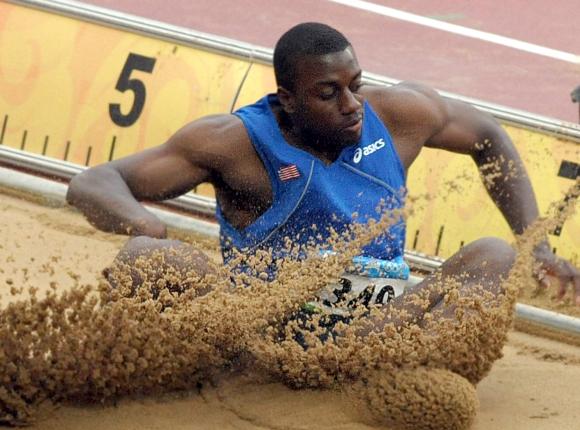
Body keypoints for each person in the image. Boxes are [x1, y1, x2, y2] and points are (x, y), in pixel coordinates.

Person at [67, 22, 580, 320]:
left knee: (492, 256)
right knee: (148, 257)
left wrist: (535, 245)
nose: (352, 104)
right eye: (328, 93)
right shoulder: (234, 143)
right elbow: (93, 181)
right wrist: (147, 227)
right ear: (287, 100)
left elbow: (489, 137)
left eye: (355, 84)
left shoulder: (399, 114)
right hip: (261, 329)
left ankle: (401, 375)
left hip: (378, 329)